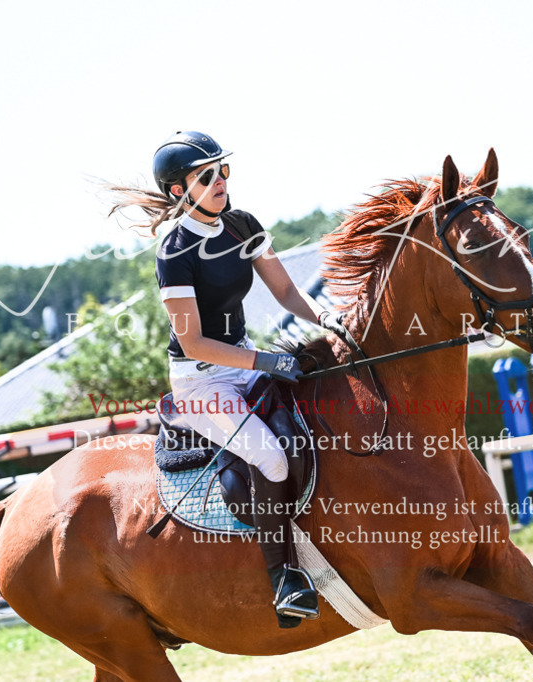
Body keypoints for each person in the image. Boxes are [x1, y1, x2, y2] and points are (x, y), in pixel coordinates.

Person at [106, 130, 343, 628]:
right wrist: (267, 362)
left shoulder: (241, 224)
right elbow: (193, 343)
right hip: (202, 383)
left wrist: (325, 319)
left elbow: (285, 290)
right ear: (178, 191)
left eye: (224, 170)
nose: (220, 181)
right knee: (269, 454)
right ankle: (284, 580)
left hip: (245, 365)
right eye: (206, 176)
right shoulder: (174, 250)